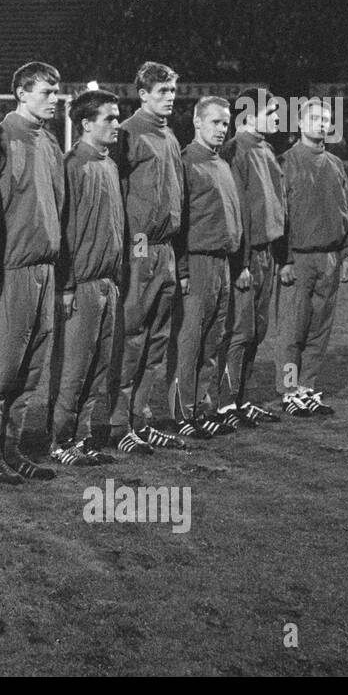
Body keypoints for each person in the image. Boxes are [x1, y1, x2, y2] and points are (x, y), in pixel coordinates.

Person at [0, 61, 66, 485]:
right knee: (1, 366)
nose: (54, 100)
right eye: (46, 92)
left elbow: (59, 210)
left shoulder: (50, 143)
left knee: (32, 369)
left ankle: (12, 450)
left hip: (45, 271)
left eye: (56, 92)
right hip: (11, 271)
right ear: (22, 93)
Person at [109, 61, 188, 454]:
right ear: (142, 94)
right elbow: (116, 194)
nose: (170, 98)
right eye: (162, 92)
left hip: (166, 249)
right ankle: (117, 422)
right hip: (140, 247)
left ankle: (142, 418)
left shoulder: (170, 136)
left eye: (173, 92)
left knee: (157, 340)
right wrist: (128, 250)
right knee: (132, 338)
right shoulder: (126, 134)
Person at [48, 89, 123, 465]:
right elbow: (62, 232)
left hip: (109, 281)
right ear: (86, 123)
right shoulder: (71, 166)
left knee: (99, 367)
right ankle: (60, 443)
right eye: (109, 118)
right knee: (73, 367)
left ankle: (83, 437)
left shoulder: (109, 164)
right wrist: (66, 285)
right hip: (81, 284)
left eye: (117, 116)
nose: (116, 124)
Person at [274, 98, 348, 417]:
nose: (321, 124)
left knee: (319, 329)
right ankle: (288, 391)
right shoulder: (286, 162)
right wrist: (284, 259)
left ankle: (306, 388)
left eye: (325, 119)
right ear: (300, 123)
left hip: (331, 259)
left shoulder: (337, 165)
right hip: (299, 259)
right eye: (315, 119)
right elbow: (279, 217)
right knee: (292, 330)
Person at [167, 97, 242, 438]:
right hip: (197, 263)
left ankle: (201, 407)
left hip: (222, 263)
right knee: (190, 342)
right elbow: (177, 225)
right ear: (197, 122)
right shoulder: (185, 162)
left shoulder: (222, 164)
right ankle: (181, 414)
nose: (221, 129)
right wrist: (182, 270)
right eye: (214, 122)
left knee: (212, 340)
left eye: (225, 123)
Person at [216, 87, 284, 426]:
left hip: (267, 254)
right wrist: (239, 263)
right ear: (247, 115)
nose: (276, 117)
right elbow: (235, 211)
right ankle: (226, 403)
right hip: (246, 258)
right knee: (239, 332)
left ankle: (241, 399)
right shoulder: (234, 150)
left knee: (257, 330)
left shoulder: (267, 149)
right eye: (270, 111)